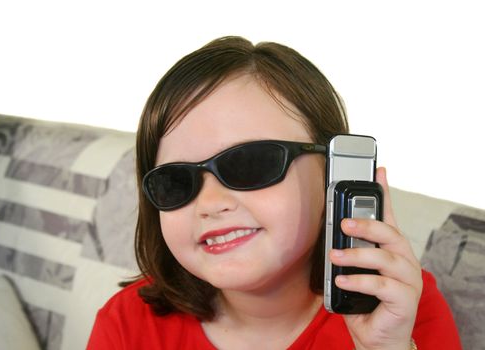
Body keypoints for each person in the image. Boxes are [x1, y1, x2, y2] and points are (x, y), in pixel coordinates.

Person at [87, 36, 461, 349]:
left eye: (250, 164)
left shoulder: (401, 308)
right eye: (176, 181)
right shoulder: (127, 325)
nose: (211, 203)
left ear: (333, 171)